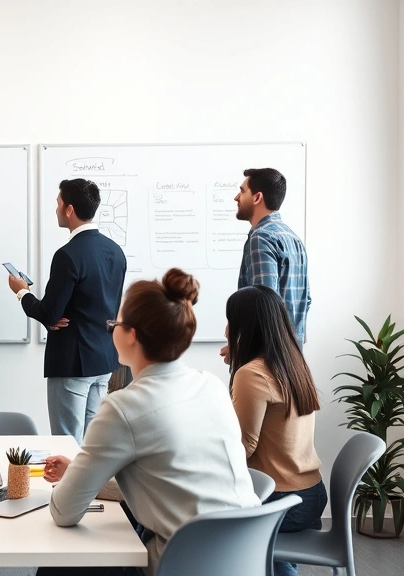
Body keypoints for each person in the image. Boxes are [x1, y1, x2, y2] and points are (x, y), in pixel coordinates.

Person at [38, 269, 258, 576]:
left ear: (130, 335)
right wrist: (82, 473)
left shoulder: (123, 406)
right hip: (244, 560)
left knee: (59, 566)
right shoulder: (212, 386)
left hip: (180, 565)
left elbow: (63, 512)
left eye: (114, 323)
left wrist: (78, 479)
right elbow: (169, 481)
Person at [9, 178, 126, 443]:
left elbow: (50, 313)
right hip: (104, 358)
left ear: (69, 209)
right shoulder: (115, 251)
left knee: (65, 442)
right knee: (90, 443)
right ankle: (88, 487)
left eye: (58, 203)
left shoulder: (68, 254)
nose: (56, 209)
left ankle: (67, 487)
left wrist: (21, 291)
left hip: (73, 361)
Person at [226, 285, 326, 576]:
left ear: (245, 326)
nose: (225, 330)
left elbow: (243, 447)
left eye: (231, 320)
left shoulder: (251, 374)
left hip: (280, 499)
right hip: (311, 493)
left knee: (204, 514)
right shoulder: (294, 363)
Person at [222, 168, 309, 363]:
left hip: (266, 360)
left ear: (257, 197)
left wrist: (241, 347)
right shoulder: (293, 239)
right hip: (292, 359)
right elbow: (306, 300)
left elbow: (263, 306)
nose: (236, 197)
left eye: (242, 191)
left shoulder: (261, 238)